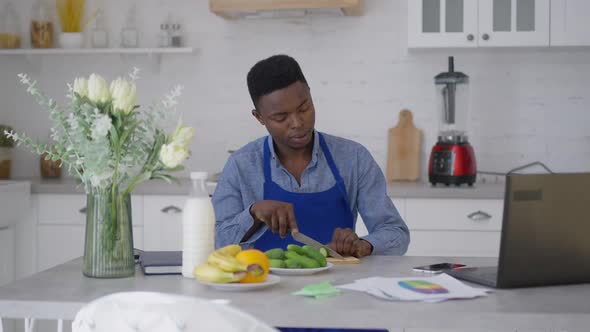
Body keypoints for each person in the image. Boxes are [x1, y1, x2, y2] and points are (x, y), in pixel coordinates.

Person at [212, 54, 410, 257]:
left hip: (337, 286)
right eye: (281, 117)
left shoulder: (354, 158)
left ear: (310, 96)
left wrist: (364, 244)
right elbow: (220, 244)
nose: (297, 123)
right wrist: (253, 214)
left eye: (304, 108)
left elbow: (396, 233)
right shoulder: (240, 165)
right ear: (259, 118)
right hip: (262, 283)